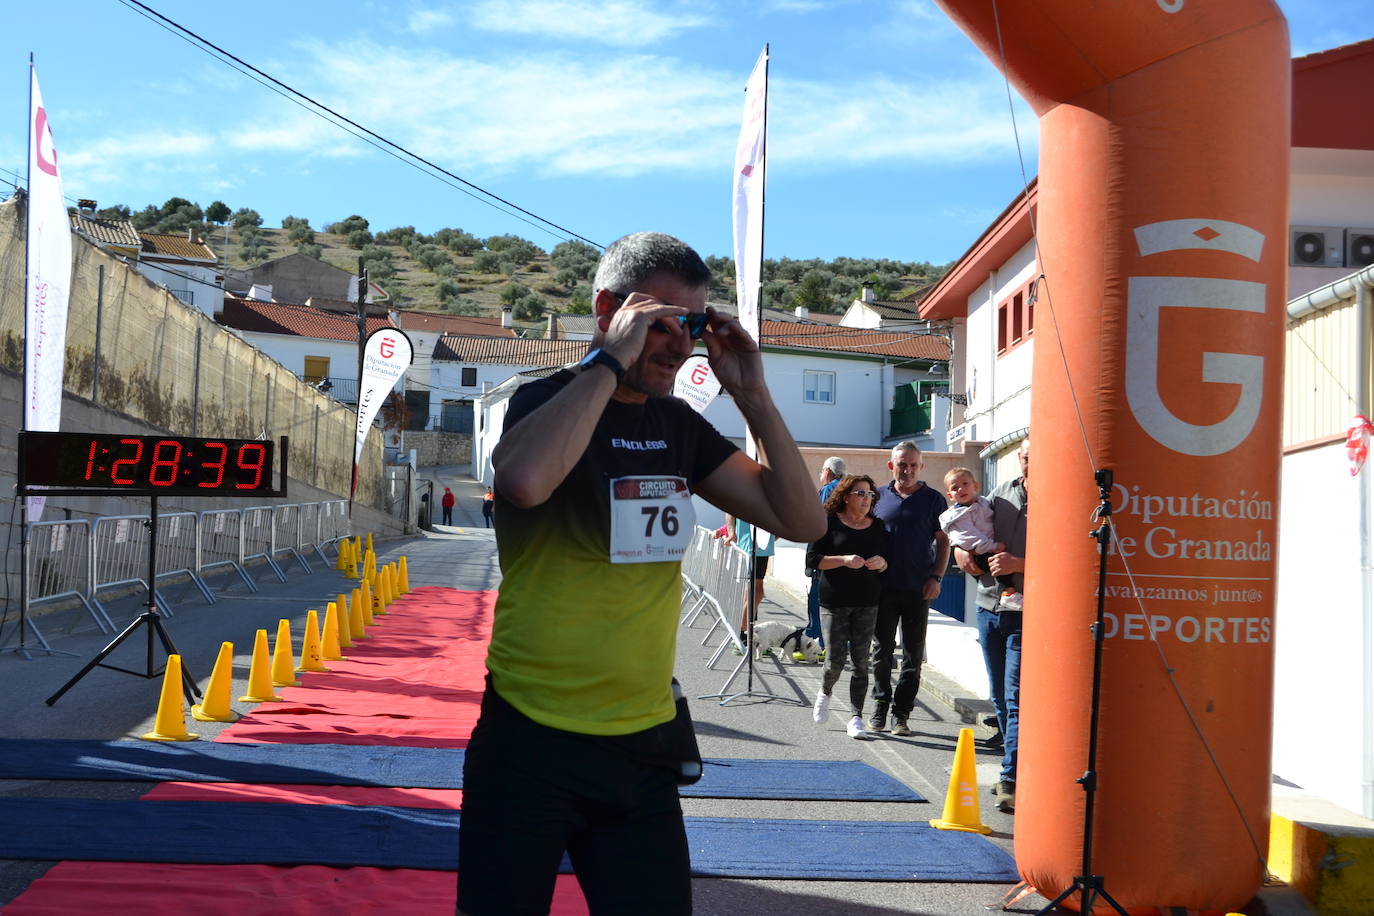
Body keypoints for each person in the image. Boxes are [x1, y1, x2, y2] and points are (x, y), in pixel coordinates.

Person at [457, 231, 825, 916]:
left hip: (642, 748)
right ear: (609, 310)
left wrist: (753, 395)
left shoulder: (678, 426)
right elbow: (526, 481)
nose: (682, 346)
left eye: (691, 325)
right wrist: (609, 360)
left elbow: (802, 521)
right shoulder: (545, 403)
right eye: (661, 323)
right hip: (529, 744)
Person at [955, 437, 1029, 814]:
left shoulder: (1061, 494)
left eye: (1038, 457)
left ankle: (1011, 778)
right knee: (999, 696)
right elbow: (964, 522)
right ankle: (1014, 765)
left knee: (1015, 698)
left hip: (1027, 611)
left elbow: (1071, 559)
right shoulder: (1001, 492)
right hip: (988, 606)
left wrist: (1020, 565)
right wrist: (960, 552)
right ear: (1019, 457)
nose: (1031, 462)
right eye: (1027, 457)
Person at [870, 442, 949, 737]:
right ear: (892, 465)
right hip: (883, 589)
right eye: (902, 464)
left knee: (913, 655)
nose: (908, 470)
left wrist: (937, 577)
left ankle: (901, 713)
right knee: (881, 652)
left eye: (913, 465)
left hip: (918, 589)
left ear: (921, 467)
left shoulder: (933, 500)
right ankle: (880, 705)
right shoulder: (877, 496)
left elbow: (943, 542)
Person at [807, 474, 888, 740]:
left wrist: (882, 563)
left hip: (867, 602)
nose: (866, 499)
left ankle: (856, 717)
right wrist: (843, 559)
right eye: (861, 494)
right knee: (834, 661)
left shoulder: (878, 526)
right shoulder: (827, 523)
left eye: (870, 494)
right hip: (834, 601)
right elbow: (813, 561)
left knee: (861, 662)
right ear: (845, 497)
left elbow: (888, 559)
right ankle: (825, 692)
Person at [805, 456, 847, 651]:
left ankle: (817, 639)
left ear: (828, 471)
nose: (821, 475)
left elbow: (818, 521)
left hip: (825, 554)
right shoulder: (850, 488)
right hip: (846, 553)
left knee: (818, 597)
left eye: (821, 471)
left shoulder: (828, 489)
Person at [939, 467, 1003, 584]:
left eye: (965, 484)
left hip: (988, 546)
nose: (960, 489)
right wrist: (992, 546)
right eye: (955, 488)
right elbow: (968, 537)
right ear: (950, 496)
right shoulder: (957, 517)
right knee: (1001, 569)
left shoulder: (984, 503)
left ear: (976, 486)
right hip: (979, 554)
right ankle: (1009, 591)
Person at [723, 514, 775, 645]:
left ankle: (745, 632)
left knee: (755, 591)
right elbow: (729, 510)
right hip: (749, 543)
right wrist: (731, 532)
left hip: (763, 545)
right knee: (754, 591)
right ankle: (742, 633)